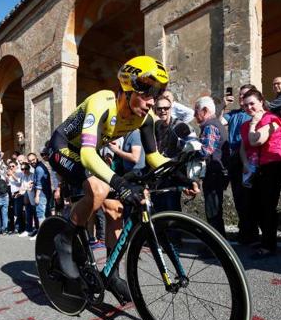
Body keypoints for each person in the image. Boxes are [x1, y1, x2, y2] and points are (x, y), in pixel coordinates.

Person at [47, 55, 199, 303]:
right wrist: (119, 183)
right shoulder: (102, 102)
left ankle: (112, 274)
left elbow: (154, 157)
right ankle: (64, 238)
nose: (152, 102)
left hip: (88, 154)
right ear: (128, 88)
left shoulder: (145, 118)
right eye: (148, 94)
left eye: (156, 94)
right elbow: (86, 154)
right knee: (98, 190)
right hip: (62, 148)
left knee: (116, 209)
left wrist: (182, 175)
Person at [239, 88, 281, 258]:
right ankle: (265, 239)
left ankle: (269, 245)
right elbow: (243, 147)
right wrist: (245, 163)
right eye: (245, 105)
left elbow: (256, 139)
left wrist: (254, 124)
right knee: (256, 205)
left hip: (272, 165)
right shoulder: (246, 125)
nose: (249, 108)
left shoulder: (271, 120)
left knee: (267, 206)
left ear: (261, 102)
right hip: (255, 168)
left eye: (252, 103)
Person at [222, 85, 254, 243]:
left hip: (247, 157)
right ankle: (245, 229)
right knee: (238, 195)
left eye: (245, 95)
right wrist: (224, 105)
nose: (241, 98)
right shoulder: (233, 114)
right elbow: (221, 120)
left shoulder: (251, 115)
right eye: (240, 95)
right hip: (234, 156)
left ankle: (249, 230)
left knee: (247, 196)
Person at [193, 96, 229, 237]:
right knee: (214, 208)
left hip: (214, 173)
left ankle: (216, 244)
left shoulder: (211, 126)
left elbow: (205, 151)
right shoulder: (215, 124)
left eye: (197, 111)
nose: (195, 114)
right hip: (217, 172)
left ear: (205, 110)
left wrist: (190, 149)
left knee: (212, 209)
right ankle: (219, 241)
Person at [27, 152, 52, 239]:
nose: (32, 162)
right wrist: (32, 183)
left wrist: (37, 196)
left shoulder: (39, 169)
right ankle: (48, 233)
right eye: (30, 161)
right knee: (46, 213)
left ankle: (41, 235)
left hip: (41, 194)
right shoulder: (39, 167)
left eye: (33, 160)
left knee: (40, 214)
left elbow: (39, 184)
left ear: (36, 158)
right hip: (45, 193)